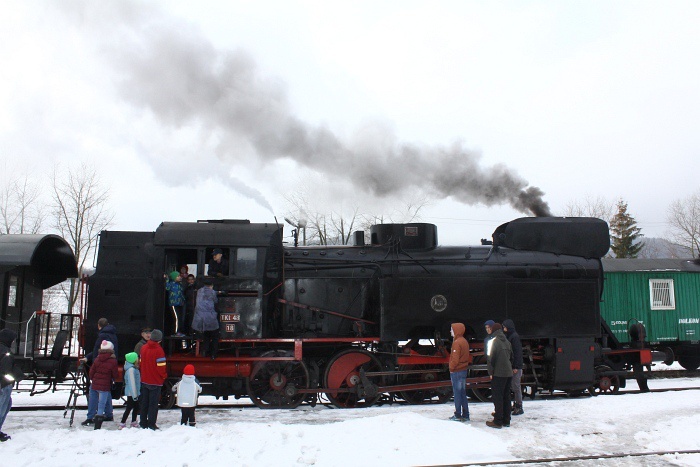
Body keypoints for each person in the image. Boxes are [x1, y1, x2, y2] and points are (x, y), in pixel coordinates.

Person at [81, 318, 118, 425]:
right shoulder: (113, 335)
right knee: (106, 392)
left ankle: (91, 416)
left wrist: (88, 359)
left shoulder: (102, 336)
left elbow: (96, 350)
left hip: (99, 373)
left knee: (93, 393)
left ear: (98, 325)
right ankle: (109, 414)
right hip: (108, 373)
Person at [486, 323, 513, 429]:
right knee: (506, 396)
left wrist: (491, 372)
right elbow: (512, 357)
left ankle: (497, 421)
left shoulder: (492, 341)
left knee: (498, 397)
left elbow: (490, 359)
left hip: (498, 373)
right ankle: (506, 420)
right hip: (508, 373)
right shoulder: (507, 341)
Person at [87, 340, 119, 430]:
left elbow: (92, 371)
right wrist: (112, 379)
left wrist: (92, 379)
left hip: (95, 383)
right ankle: (99, 422)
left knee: (93, 399)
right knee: (102, 403)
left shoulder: (97, 359)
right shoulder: (113, 361)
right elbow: (115, 374)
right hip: (105, 384)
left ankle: (91, 416)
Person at [139, 329, 167, 430]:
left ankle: (143, 422)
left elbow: (141, 363)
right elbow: (161, 367)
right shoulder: (159, 350)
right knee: (153, 404)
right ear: (159, 339)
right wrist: (164, 376)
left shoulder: (143, 348)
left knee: (144, 403)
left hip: (145, 379)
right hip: (155, 381)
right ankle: (151, 424)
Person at [448, 323, 471, 422]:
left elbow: (455, 359)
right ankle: (466, 414)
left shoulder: (457, 343)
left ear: (457, 331)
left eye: (452, 330)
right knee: (462, 393)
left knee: (457, 393)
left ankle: (457, 414)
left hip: (457, 371)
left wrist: (451, 368)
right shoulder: (464, 341)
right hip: (463, 370)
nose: (450, 331)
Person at [192, 280, 220, 360]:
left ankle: (204, 351)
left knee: (206, 336)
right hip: (210, 318)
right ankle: (213, 355)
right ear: (211, 285)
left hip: (200, 319)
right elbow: (215, 301)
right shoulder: (212, 292)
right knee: (215, 336)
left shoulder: (199, 291)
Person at [1, 329, 20, 442]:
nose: (13, 342)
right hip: (4, 384)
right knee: (2, 407)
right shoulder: (5, 351)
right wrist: (12, 378)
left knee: (7, 404)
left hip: (4, 383)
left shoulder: (4, 349)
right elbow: (5, 369)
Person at [502, 319, 524, 416]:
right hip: (514, 366)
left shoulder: (514, 337)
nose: (504, 328)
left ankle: (519, 406)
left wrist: (515, 366)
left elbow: (517, 353)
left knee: (516, 386)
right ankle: (516, 405)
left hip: (515, 367)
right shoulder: (512, 336)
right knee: (514, 386)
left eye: (505, 327)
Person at [119, 352, 141, 429]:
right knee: (129, 407)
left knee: (136, 407)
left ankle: (133, 421)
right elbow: (132, 383)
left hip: (134, 392)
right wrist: (135, 394)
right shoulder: (131, 370)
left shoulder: (132, 369)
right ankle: (122, 422)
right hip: (132, 392)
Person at [165, 271, 186, 336]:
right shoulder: (171, 284)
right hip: (173, 304)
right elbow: (167, 287)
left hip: (180, 303)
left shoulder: (180, 284)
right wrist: (167, 279)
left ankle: (179, 331)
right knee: (176, 318)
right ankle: (176, 332)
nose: (180, 277)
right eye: (178, 276)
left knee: (180, 318)